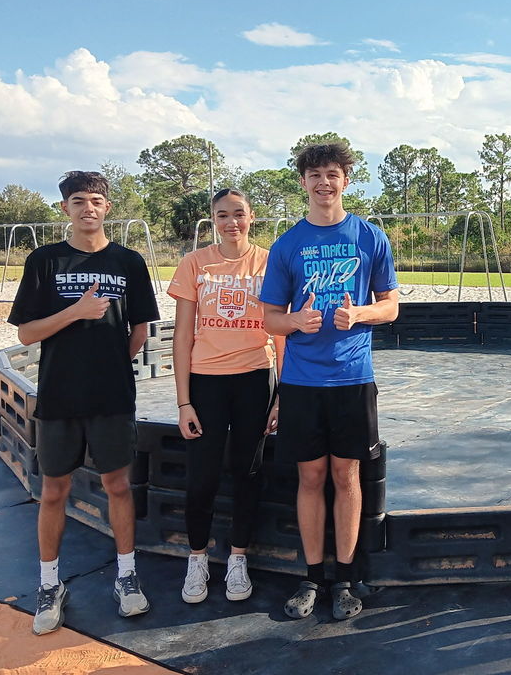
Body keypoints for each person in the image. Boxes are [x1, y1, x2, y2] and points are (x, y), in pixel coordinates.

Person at [8, 170, 159, 635]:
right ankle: (50, 584)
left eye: (96, 200)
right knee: (54, 490)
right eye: (78, 201)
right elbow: (26, 333)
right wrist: (74, 311)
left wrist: (108, 363)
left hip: (111, 396)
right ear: (65, 209)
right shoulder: (45, 261)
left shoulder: (129, 262)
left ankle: (127, 576)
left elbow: (139, 331)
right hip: (58, 395)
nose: (88, 208)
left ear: (107, 207)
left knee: (118, 485)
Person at [260, 141, 399, 621]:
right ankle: (312, 577)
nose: (324, 183)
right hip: (302, 381)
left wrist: (359, 313)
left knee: (346, 475)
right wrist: (296, 321)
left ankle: (345, 578)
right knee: (311, 476)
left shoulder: (369, 237)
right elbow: (270, 320)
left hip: (352, 377)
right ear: (303, 182)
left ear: (346, 180)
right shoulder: (288, 244)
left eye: (332, 174)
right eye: (315, 175)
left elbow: (391, 305)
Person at [168, 188, 282, 604]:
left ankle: (238, 558)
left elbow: (281, 333)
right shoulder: (194, 263)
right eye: (222, 215)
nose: (231, 221)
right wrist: (184, 400)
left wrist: (280, 395)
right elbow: (181, 336)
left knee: (247, 472)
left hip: (254, 377)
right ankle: (197, 557)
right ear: (212, 220)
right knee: (202, 476)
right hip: (206, 380)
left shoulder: (270, 262)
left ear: (252, 216)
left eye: (238, 214)